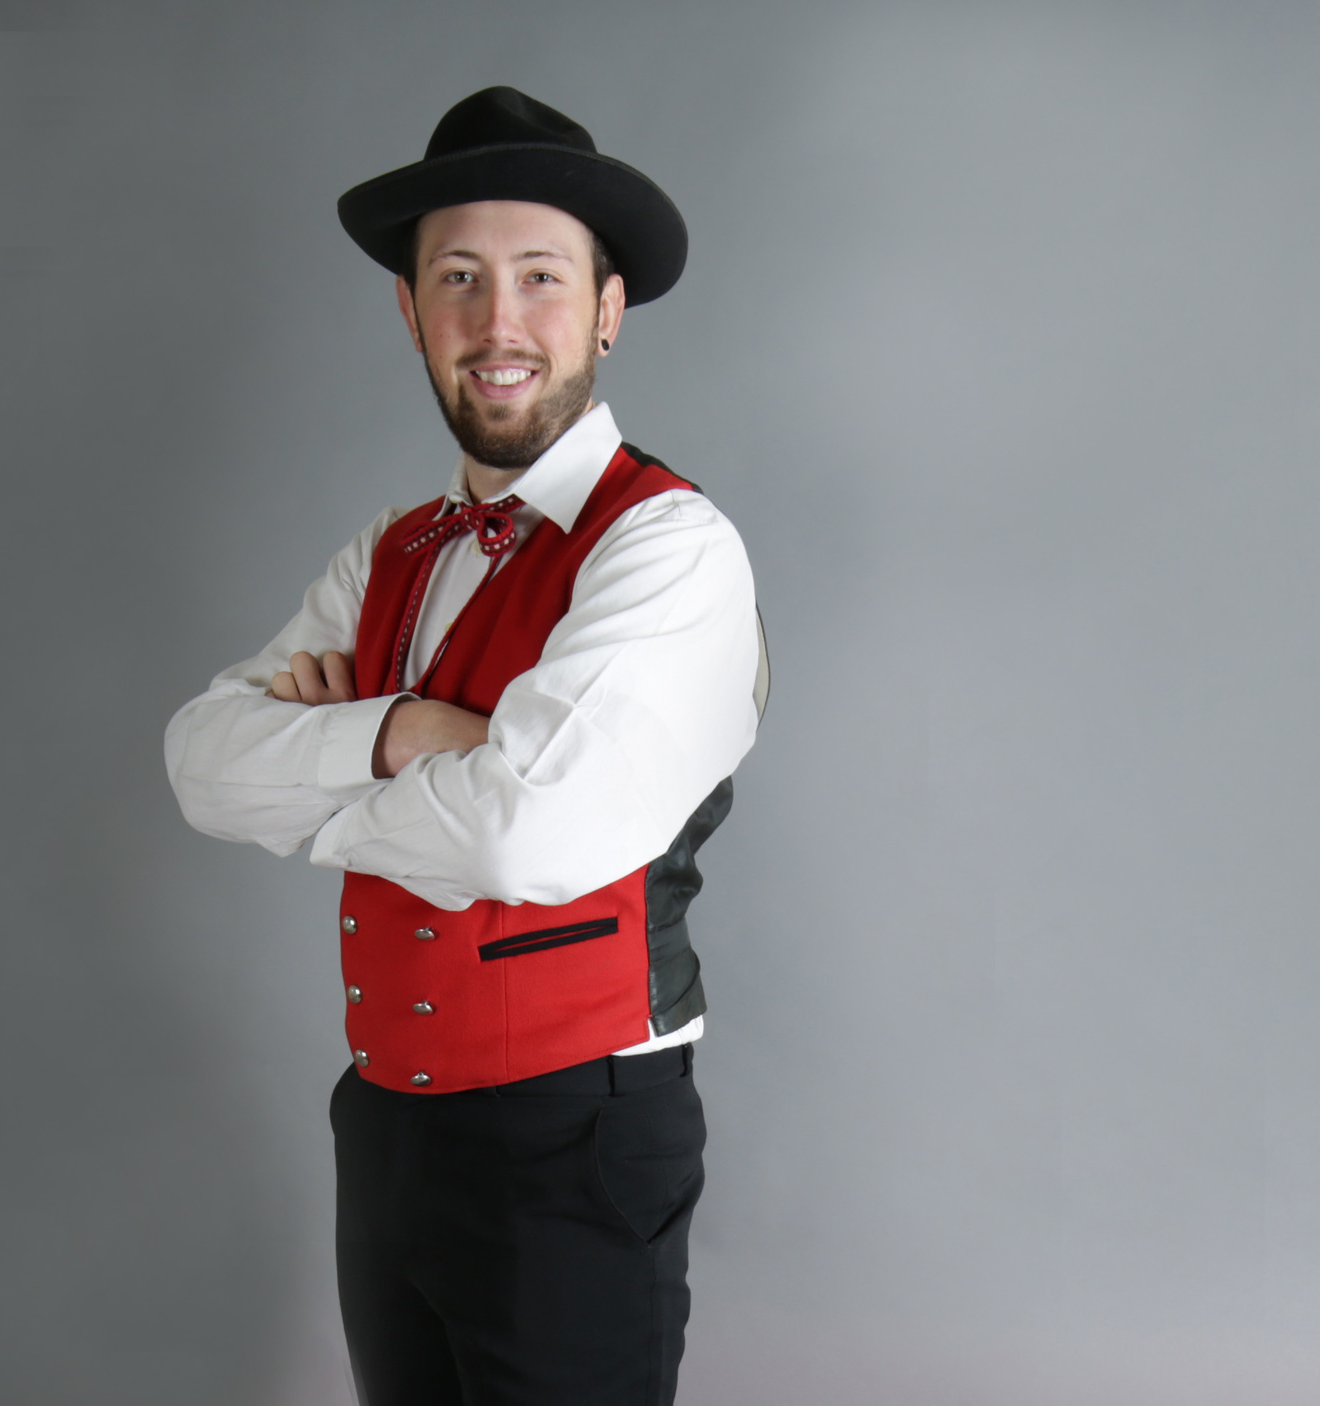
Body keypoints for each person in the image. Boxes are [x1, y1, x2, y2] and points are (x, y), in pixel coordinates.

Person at [164, 86, 766, 1406]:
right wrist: (402, 732)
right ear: (411, 311)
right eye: (459, 279)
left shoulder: (669, 550)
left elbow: (520, 835)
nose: (499, 322)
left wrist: (316, 771)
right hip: (384, 1125)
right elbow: (202, 765)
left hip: (575, 1134)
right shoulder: (388, 552)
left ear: (607, 310)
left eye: (541, 276)